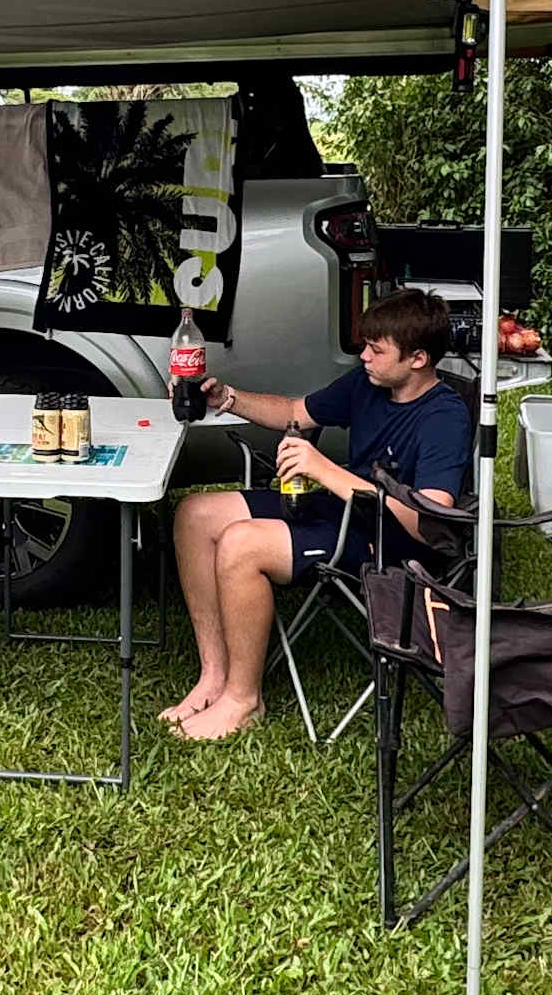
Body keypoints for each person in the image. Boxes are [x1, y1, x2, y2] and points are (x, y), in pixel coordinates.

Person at [162, 288, 470, 740]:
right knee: (195, 514)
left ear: (418, 358)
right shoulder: (368, 384)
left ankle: (243, 700)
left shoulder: (445, 418)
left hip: (386, 542)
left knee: (241, 543)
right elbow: (293, 411)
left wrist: (323, 469)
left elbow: (430, 522)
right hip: (340, 509)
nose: (363, 356)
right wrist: (226, 397)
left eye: (376, 349)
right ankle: (214, 676)